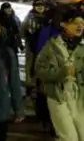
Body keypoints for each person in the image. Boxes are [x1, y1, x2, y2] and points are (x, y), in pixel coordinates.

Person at [35, 9, 84, 141]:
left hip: (80, 97)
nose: (80, 26)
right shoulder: (52, 46)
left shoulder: (82, 46)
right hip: (58, 96)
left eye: (82, 23)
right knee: (69, 137)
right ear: (64, 24)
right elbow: (39, 70)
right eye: (75, 22)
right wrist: (61, 73)